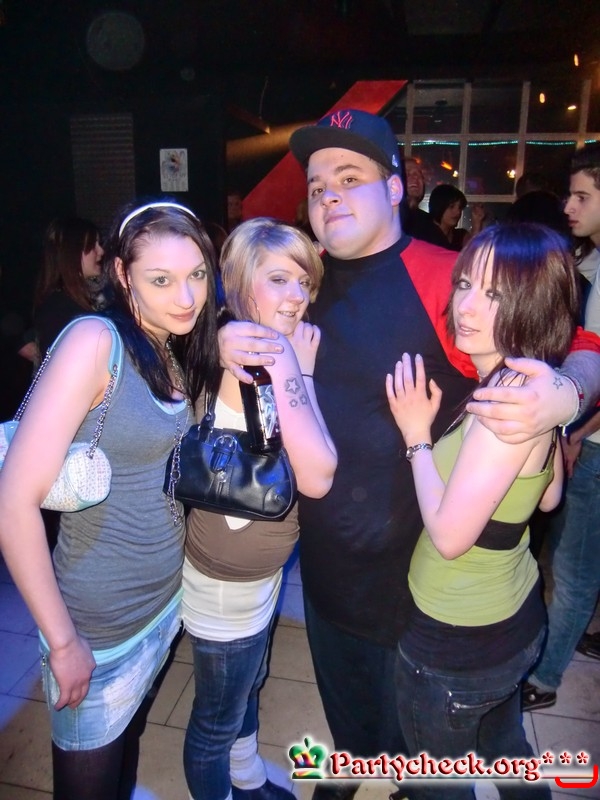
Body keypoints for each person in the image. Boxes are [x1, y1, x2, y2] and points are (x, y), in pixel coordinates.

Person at [218, 109, 600, 800]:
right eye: (317, 185)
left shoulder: (449, 277)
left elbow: (578, 343)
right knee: (347, 703)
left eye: (350, 177)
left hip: (415, 581)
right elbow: (230, 314)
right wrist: (225, 336)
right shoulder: (302, 281)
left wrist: (566, 393)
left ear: (395, 188)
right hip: (326, 560)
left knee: (420, 742)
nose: (328, 195)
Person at [0, 200, 221, 800]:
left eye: (197, 275)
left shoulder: (171, 344)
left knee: (125, 752)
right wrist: (63, 642)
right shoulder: (95, 341)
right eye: (161, 280)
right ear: (123, 274)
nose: (186, 297)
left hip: (163, 604)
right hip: (98, 624)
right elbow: (13, 501)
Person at [387, 223, 578, 800]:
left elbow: (449, 537)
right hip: (513, 620)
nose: (466, 306)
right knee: (507, 751)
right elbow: (548, 495)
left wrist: (416, 436)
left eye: (494, 294)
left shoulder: (504, 403)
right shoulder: (530, 385)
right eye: (465, 283)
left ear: (532, 304)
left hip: (458, 642)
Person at [183, 218, 337, 800]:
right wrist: (304, 371)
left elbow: (280, 443)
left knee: (246, 686)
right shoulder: (266, 353)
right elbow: (318, 474)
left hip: (244, 571)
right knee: (214, 722)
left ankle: (246, 780)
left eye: (304, 281)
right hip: (227, 585)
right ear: (241, 281)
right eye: (278, 279)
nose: (297, 296)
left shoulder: (233, 339)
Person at [523, 141, 600, 712]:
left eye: (582, 196)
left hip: (595, 441)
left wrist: (576, 431)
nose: (569, 207)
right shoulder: (589, 264)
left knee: (573, 569)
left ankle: (545, 679)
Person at [34, 216, 106, 356]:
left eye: (99, 244)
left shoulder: (93, 295)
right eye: (92, 245)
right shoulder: (60, 308)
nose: (101, 251)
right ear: (72, 252)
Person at [427, 184, 485, 251]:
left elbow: (474, 250)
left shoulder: (460, 235)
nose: (458, 212)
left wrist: (477, 223)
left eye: (460, 208)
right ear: (439, 206)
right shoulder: (425, 235)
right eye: (451, 207)